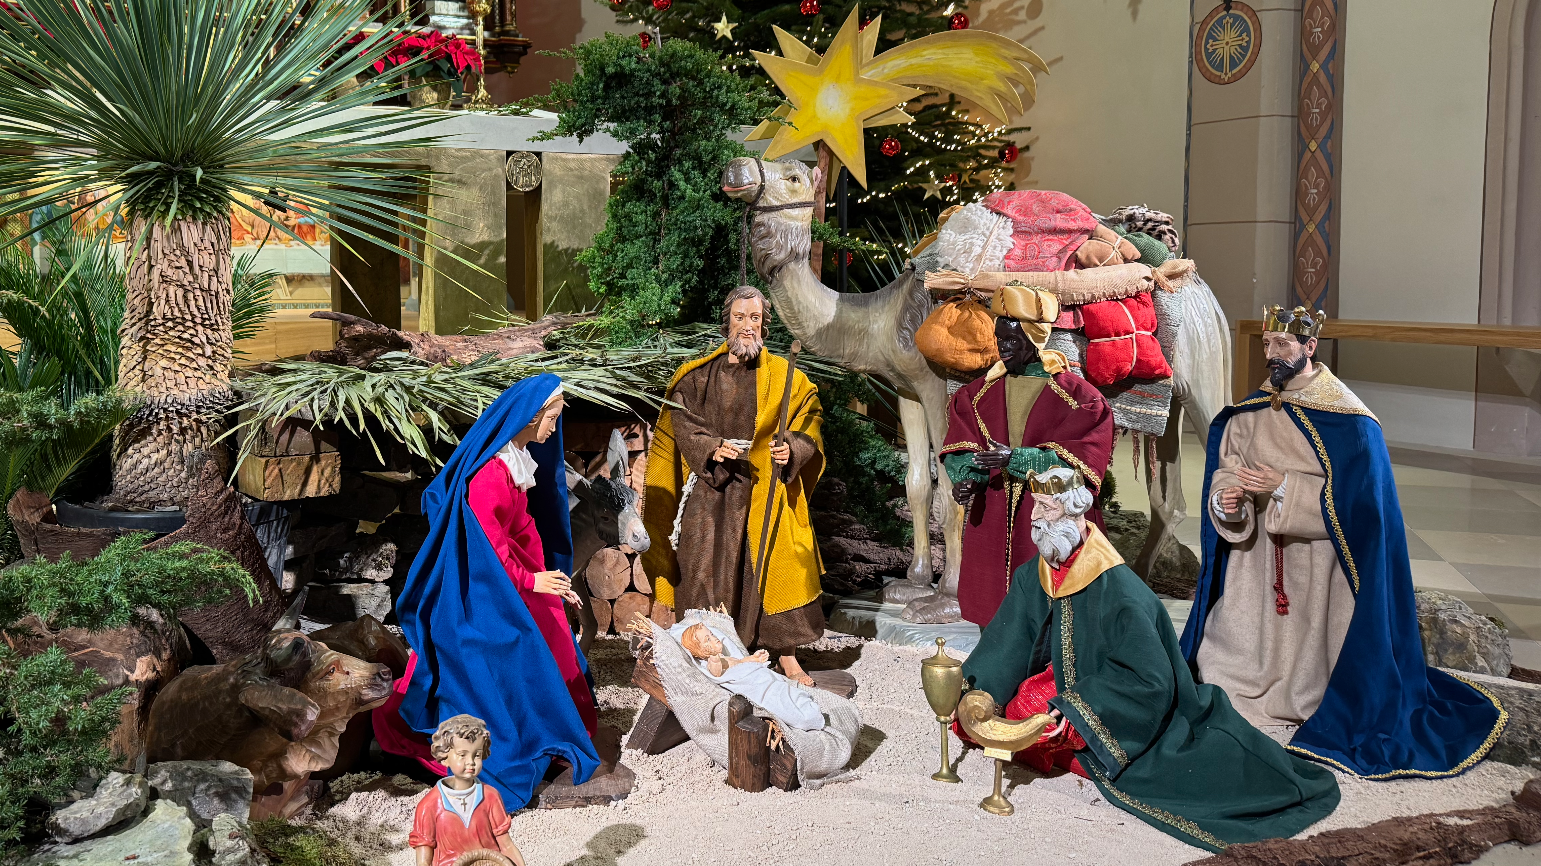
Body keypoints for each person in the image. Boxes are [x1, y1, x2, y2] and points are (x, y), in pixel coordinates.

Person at [1182, 306, 1505, 778]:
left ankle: (1309, 691)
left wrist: (1284, 487)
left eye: (1283, 344)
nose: (1272, 354)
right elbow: (1229, 469)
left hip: (1321, 571)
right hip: (1254, 568)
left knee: (1316, 680)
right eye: (1267, 344)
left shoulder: (1350, 421)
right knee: (1219, 671)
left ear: (1310, 347)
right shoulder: (1247, 414)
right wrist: (1227, 500)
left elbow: (1365, 509)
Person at [961, 467, 1340, 852]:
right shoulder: (1038, 571)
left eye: (1047, 507)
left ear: (1075, 514)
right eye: (1036, 505)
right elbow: (1010, 640)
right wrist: (978, 690)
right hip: (1060, 675)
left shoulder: (1119, 590)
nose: (1036, 517)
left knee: (1038, 719)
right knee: (1007, 711)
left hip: (1108, 694)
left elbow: (1149, 677)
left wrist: (1079, 708)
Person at [386, 373, 601, 806]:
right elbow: (489, 546)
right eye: (552, 418)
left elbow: (519, 537)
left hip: (510, 577)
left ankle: (549, 723)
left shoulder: (516, 460)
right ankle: (522, 732)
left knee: (554, 632)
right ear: (530, 417)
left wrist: (550, 582)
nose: (554, 428)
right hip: (480, 589)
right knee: (515, 644)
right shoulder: (490, 474)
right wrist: (532, 581)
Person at [642, 286, 825, 686]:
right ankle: (709, 652)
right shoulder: (697, 377)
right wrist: (711, 447)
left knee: (780, 562)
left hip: (765, 484)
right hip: (714, 487)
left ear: (764, 325)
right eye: (740, 318)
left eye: (754, 318)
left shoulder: (784, 376)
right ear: (726, 322)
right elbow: (681, 417)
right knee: (702, 563)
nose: (747, 326)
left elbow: (809, 417)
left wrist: (792, 448)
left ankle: (786, 655)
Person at [938, 285, 1114, 626]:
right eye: (999, 339)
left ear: (1035, 339)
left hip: (1049, 515)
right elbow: (963, 443)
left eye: (1012, 340)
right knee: (990, 607)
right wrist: (969, 479)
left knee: (1054, 607)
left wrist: (1017, 459)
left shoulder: (1081, 399)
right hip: (992, 512)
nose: (1003, 348)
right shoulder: (974, 395)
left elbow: (1082, 465)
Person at [410, 715, 526, 866]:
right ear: (444, 757)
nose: (471, 762)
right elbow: (424, 859)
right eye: (462, 755)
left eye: (477, 755)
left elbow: (506, 845)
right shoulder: (429, 805)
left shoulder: (491, 796)